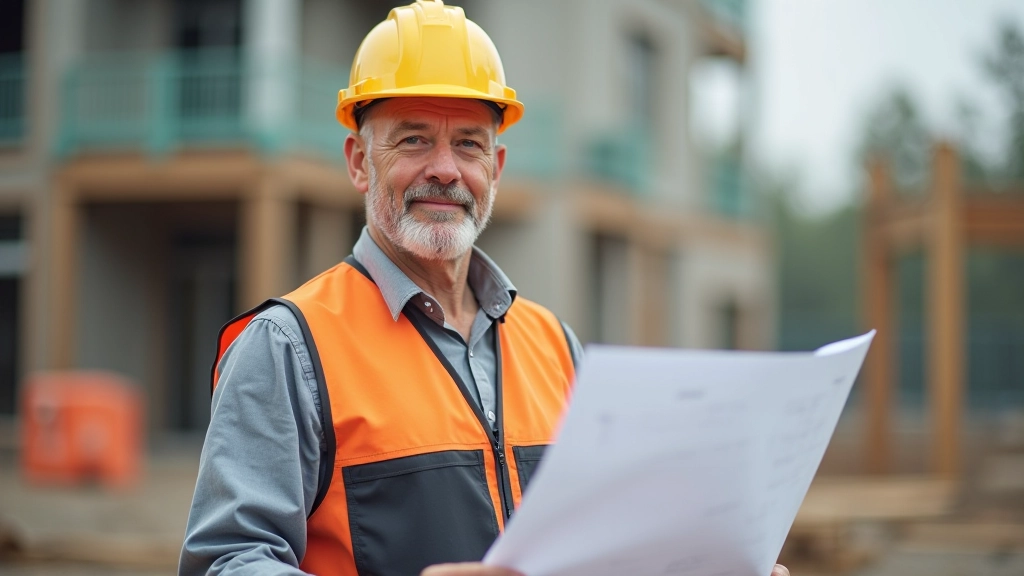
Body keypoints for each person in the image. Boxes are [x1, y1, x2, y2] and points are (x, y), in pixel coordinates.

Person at [179, 2, 791, 575]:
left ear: (495, 168)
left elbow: (602, 540)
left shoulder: (555, 346)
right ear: (359, 161)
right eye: (414, 139)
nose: (445, 168)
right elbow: (227, 560)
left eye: (468, 143)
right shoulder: (286, 349)